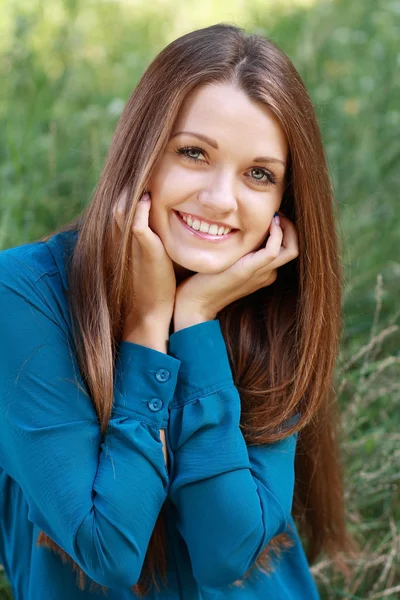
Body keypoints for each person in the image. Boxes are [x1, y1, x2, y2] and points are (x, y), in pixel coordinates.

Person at [0, 22, 358, 600]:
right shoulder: (24, 294)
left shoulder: (275, 303)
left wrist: (194, 322)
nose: (220, 199)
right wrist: (147, 330)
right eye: (193, 153)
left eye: (259, 174)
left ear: (282, 204)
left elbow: (227, 554)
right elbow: (108, 550)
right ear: (142, 151)